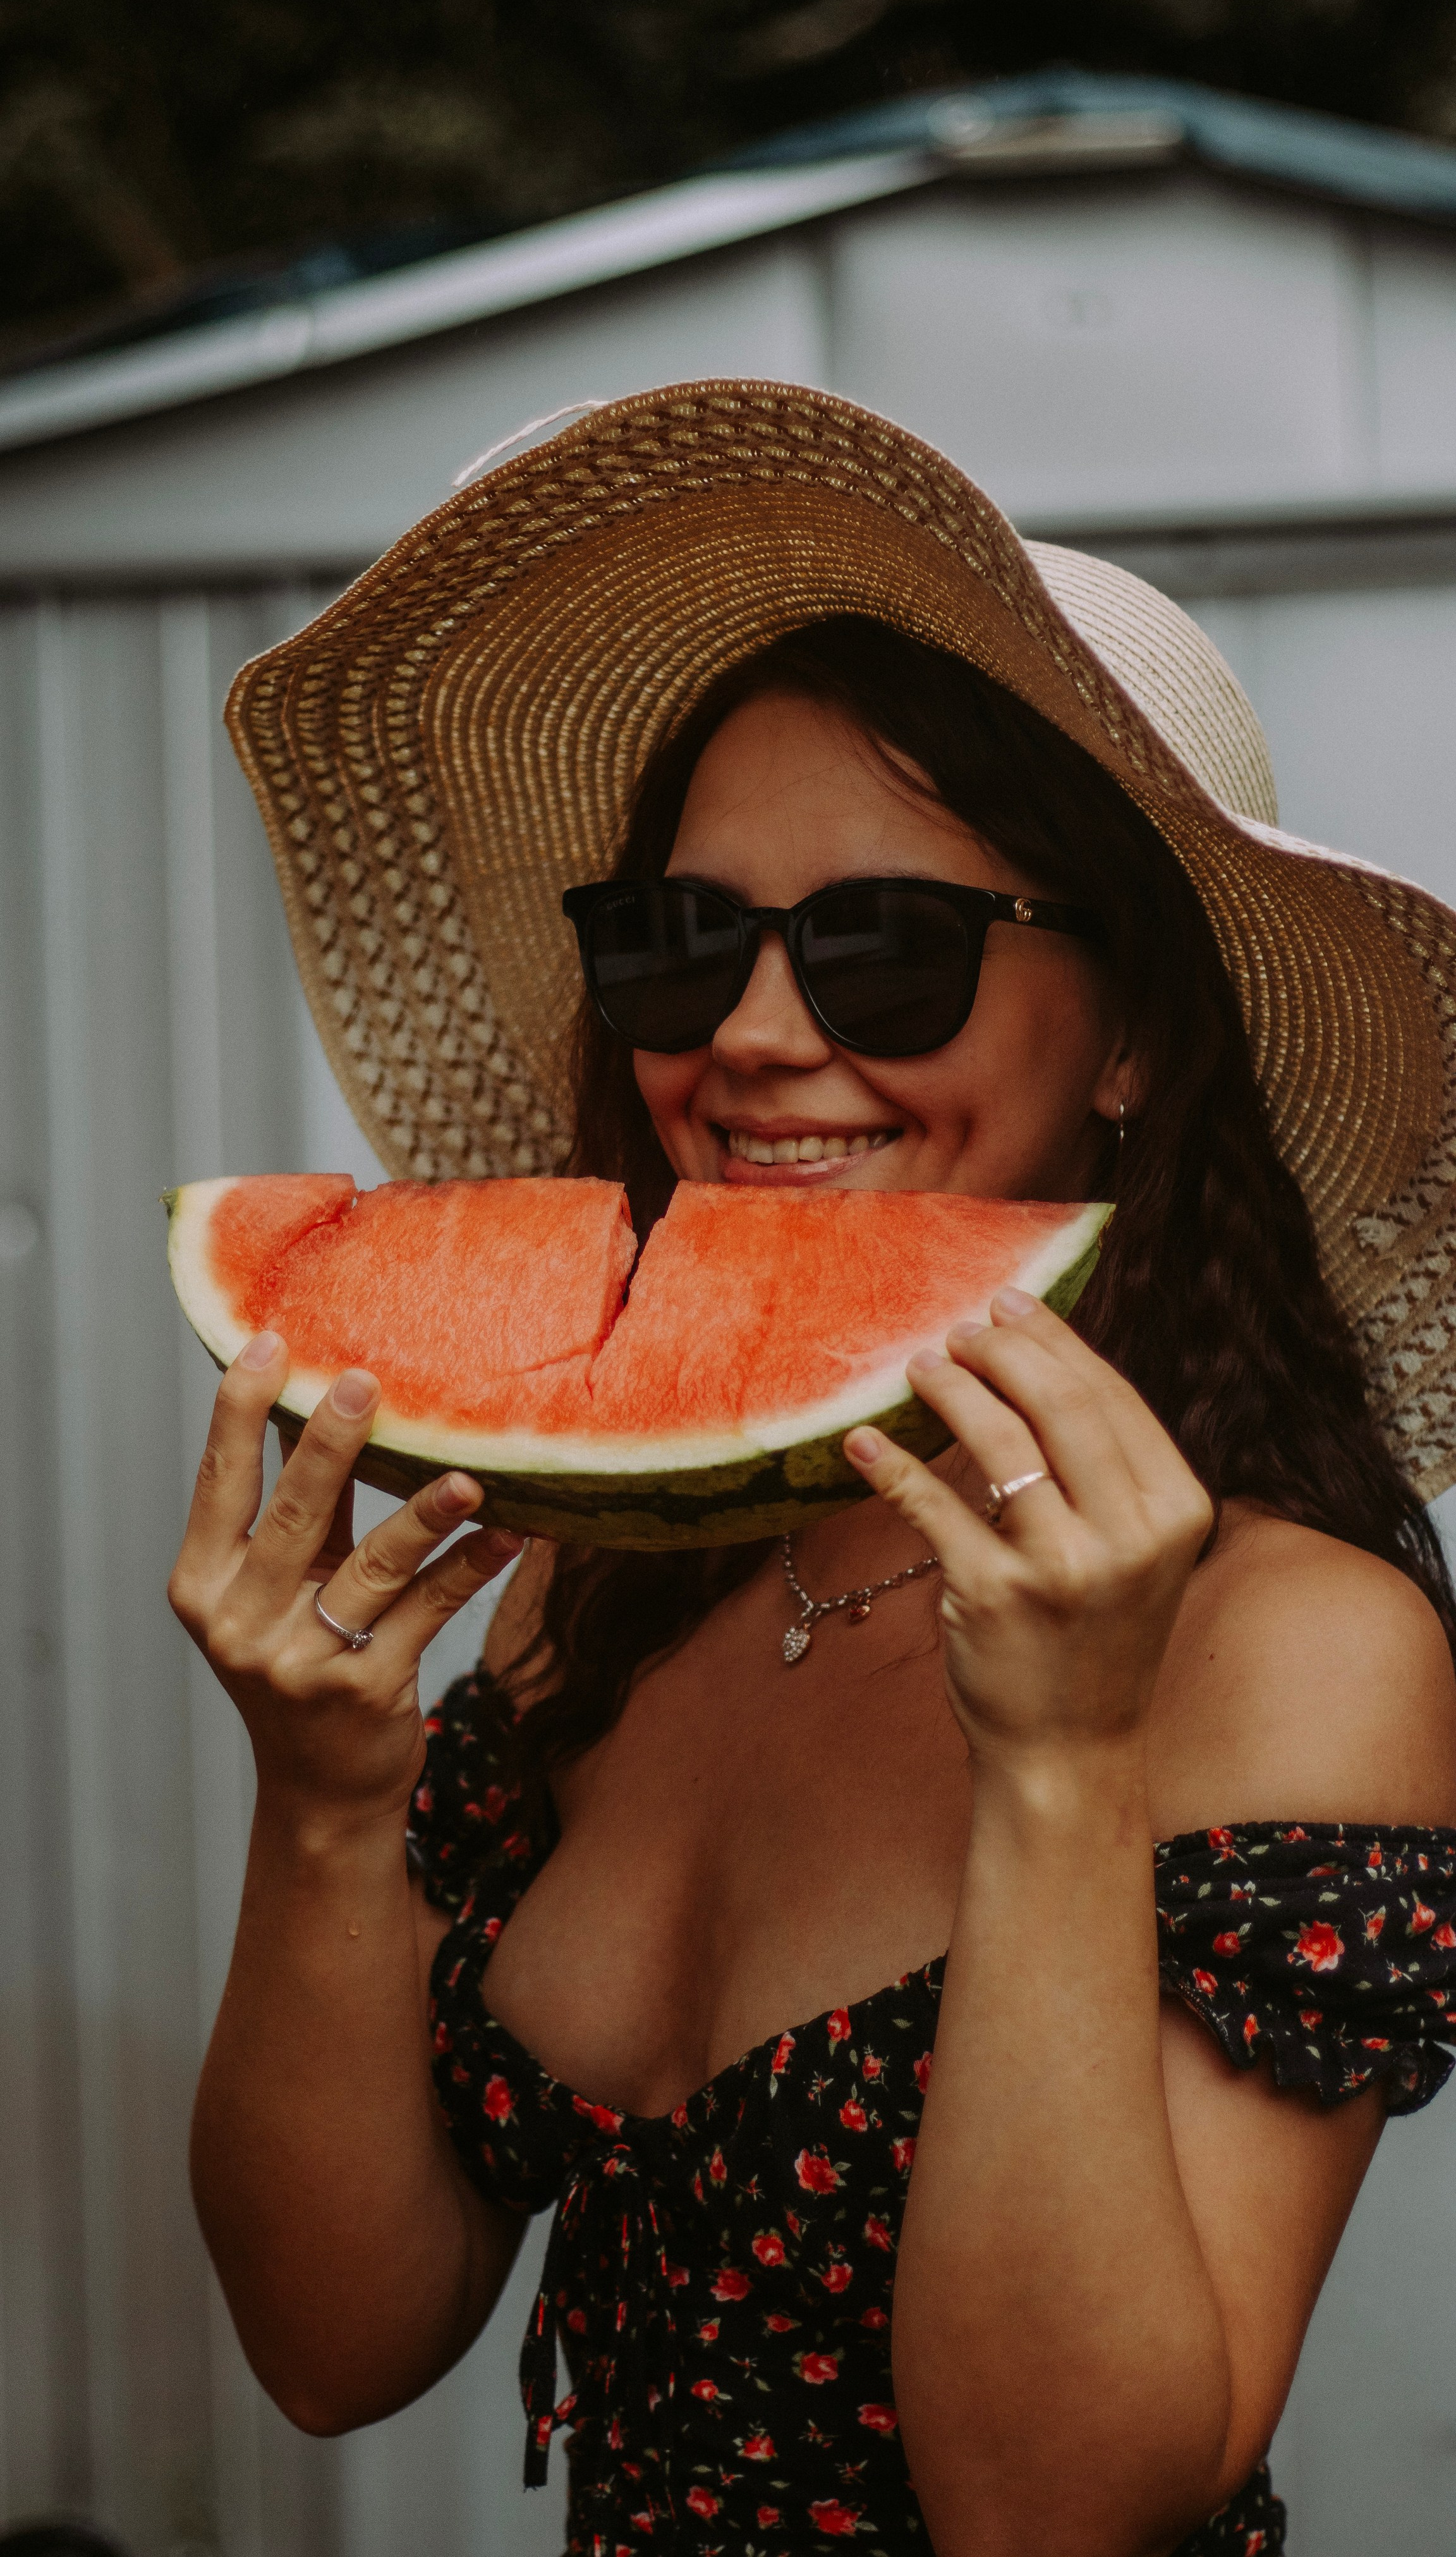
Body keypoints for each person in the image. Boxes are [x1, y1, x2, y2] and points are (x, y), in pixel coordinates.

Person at [173, 383, 1456, 2555]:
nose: (753, 1039)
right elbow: (331, 2346)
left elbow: (1055, 2514)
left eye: (889, 947)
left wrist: (1059, 1770)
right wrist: (322, 1809)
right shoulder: (615, 1576)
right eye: (680, 944)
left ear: (1134, 1032)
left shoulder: (1290, 1647)